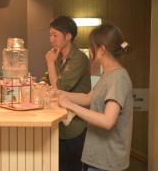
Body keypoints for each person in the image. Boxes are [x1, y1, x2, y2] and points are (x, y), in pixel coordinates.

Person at [58, 23, 133, 171]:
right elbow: (88, 98)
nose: (90, 51)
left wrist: (70, 106)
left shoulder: (118, 78)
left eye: (91, 47)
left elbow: (107, 121)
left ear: (102, 50)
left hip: (107, 161)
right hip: (98, 157)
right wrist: (60, 94)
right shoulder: (108, 74)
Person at [42, 15, 91, 171]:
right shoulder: (57, 56)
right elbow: (47, 81)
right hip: (60, 124)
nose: (51, 39)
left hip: (75, 126)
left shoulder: (79, 59)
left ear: (68, 36)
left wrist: (49, 63)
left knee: (75, 167)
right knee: (60, 166)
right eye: (50, 35)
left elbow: (57, 88)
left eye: (55, 35)